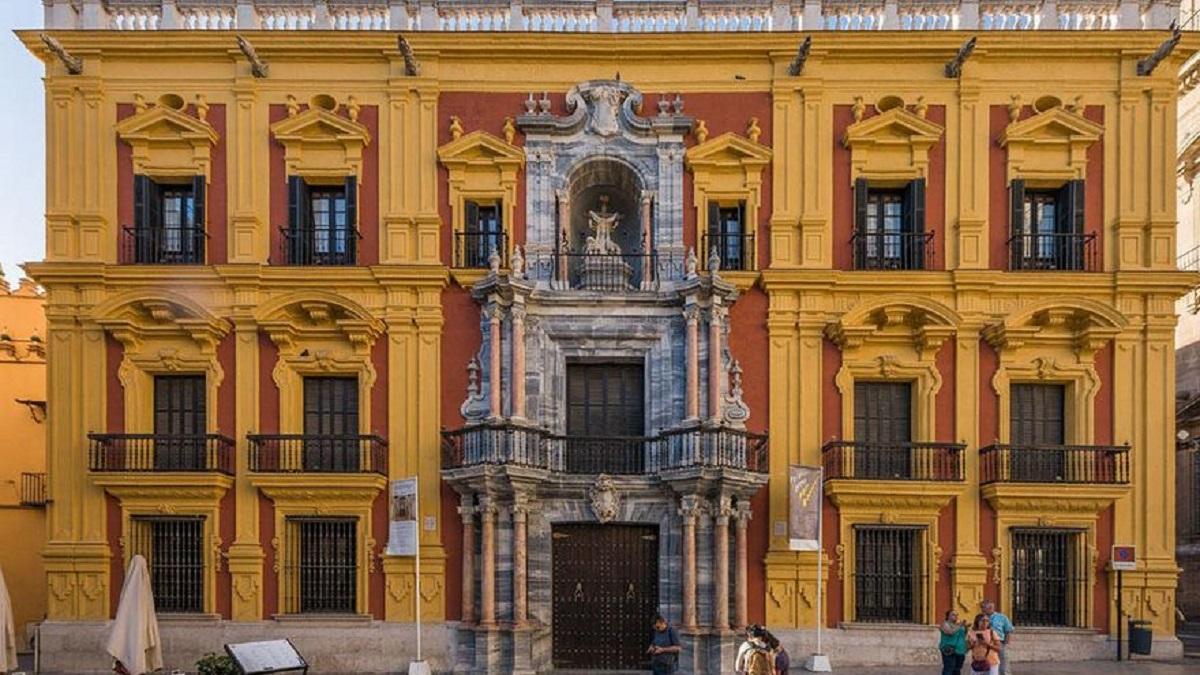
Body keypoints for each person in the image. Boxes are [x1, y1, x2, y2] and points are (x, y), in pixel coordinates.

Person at [980, 600, 1014, 674]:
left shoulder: (1002, 617)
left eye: (983, 607)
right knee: (987, 662)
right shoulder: (980, 617)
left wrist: (1006, 642)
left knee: (1003, 662)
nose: (981, 609)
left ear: (990, 607)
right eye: (981, 607)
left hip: (999, 642)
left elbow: (1008, 629)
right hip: (985, 643)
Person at [938, 609, 968, 675]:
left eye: (957, 615)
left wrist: (966, 627)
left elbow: (964, 635)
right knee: (949, 668)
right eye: (953, 615)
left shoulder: (958, 625)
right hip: (949, 649)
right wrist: (960, 625)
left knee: (957, 669)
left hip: (960, 650)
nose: (956, 616)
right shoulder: (944, 624)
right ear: (948, 616)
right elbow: (950, 632)